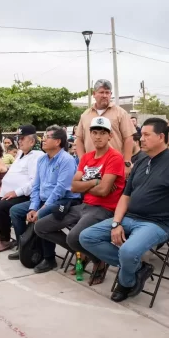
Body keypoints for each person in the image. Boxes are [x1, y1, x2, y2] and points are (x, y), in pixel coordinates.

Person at [79, 118, 169, 302]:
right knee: (86, 237)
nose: (142, 139)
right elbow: (126, 196)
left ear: (161, 137)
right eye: (142, 135)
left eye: (147, 135)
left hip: (157, 223)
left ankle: (125, 282)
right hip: (129, 218)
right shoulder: (140, 162)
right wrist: (116, 223)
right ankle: (139, 268)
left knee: (128, 251)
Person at [35, 117, 125, 283]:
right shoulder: (87, 157)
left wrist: (85, 184)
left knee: (73, 237)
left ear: (110, 136)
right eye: (95, 132)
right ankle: (86, 254)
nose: (98, 136)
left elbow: (104, 191)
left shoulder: (115, 157)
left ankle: (98, 260)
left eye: (102, 133)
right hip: (84, 205)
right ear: (90, 134)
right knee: (41, 226)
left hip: (103, 209)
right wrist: (94, 182)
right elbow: (73, 186)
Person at [8, 125, 81, 272]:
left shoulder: (66, 160)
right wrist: (33, 207)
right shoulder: (42, 160)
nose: (43, 140)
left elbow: (60, 190)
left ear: (58, 142)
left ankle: (49, 258)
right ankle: (27, 246)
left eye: (48, 137)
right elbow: (36, 186)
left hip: (65, 201)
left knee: (41, 217)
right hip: (44, 200)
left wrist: (41, 209)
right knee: (15, 211)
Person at [0, 124, 44, 253]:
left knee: (0, 207)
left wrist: (16, 192)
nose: (19, 141)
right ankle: (2, 236)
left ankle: (5, 240)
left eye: (22, 138)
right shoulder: (21, 153)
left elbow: (34, 182)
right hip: (9, 192)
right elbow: (13, 172)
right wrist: (4, 185)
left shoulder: (37, 156)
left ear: (32, 141)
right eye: (18, 138)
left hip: (25, 195)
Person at [74, 79, 135, 178]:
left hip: (113, 166)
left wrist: (127, 163)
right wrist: (82, 160)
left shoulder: (120, 113)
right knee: (90, 192)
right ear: (94, 94)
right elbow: (79, 139)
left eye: (107, 92)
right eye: (101, 92)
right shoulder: (85, 115)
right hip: (90, 167)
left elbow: (128, 138)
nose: (105, 95)